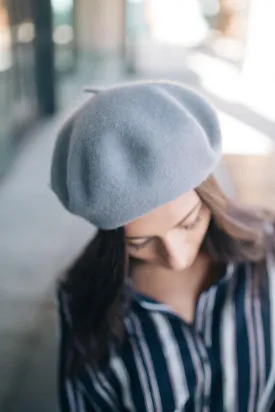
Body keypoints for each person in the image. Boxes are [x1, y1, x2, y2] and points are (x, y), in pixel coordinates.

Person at [51, 81, 275, 412]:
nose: (177, 257)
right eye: (139, 242)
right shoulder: (83, 302)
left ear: (209, 197)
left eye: (188, 223)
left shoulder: (267, 253)